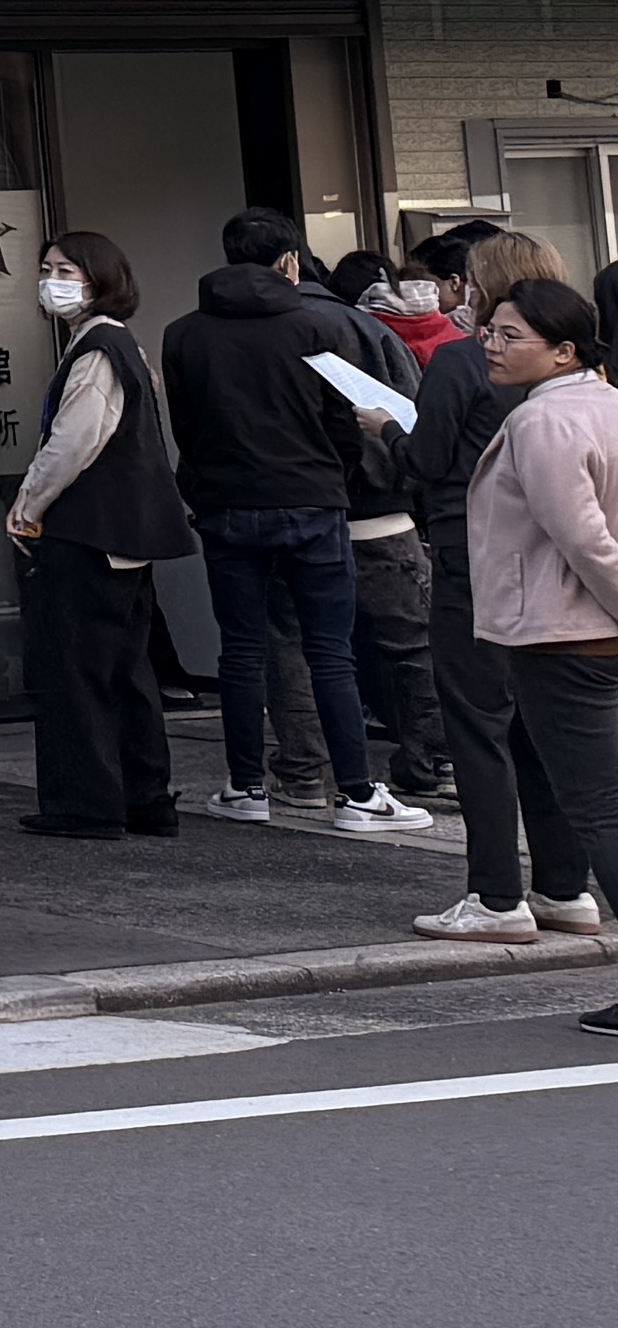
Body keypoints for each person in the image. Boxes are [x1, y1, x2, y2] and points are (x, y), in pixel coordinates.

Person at [157, 210, 427, 838]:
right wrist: (329, 471)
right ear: (289, 262)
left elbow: (187, 427)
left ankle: (248, 786)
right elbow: (342, 420)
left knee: (244, 650)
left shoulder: (183, 334)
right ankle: (357, 794)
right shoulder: (313, 325)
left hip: (227, 506)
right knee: (330, 650)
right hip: (312, 501)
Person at [421, 235, 617, 946]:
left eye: (508, 335)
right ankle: (562, 890)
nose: (489, 344)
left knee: (582, 794)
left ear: (562, 348)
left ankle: (502, 895)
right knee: (576, 777)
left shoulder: (540, 418)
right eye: (490, 331)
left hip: (547, 617)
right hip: (581, 622)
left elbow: (583, 535)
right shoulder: (605, 402)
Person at [11, 228, 188, 837]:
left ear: (99, 278)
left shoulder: (95, 352)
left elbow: (73, 443)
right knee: (127, 668)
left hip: (88, 532)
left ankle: (87, 802)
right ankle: (145, 796)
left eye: (65, 269)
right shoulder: (121, 346)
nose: (52, 280)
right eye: (47, 268)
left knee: (78, 669)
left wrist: (28, 502)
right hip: (127, 534)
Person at [330, 247, 452, 800]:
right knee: (414, 645)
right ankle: (433, 755)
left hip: (313, 516)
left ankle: (307, 770)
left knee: (310, 649)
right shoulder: (392, 341)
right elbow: (424, 442)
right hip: (388, 514)